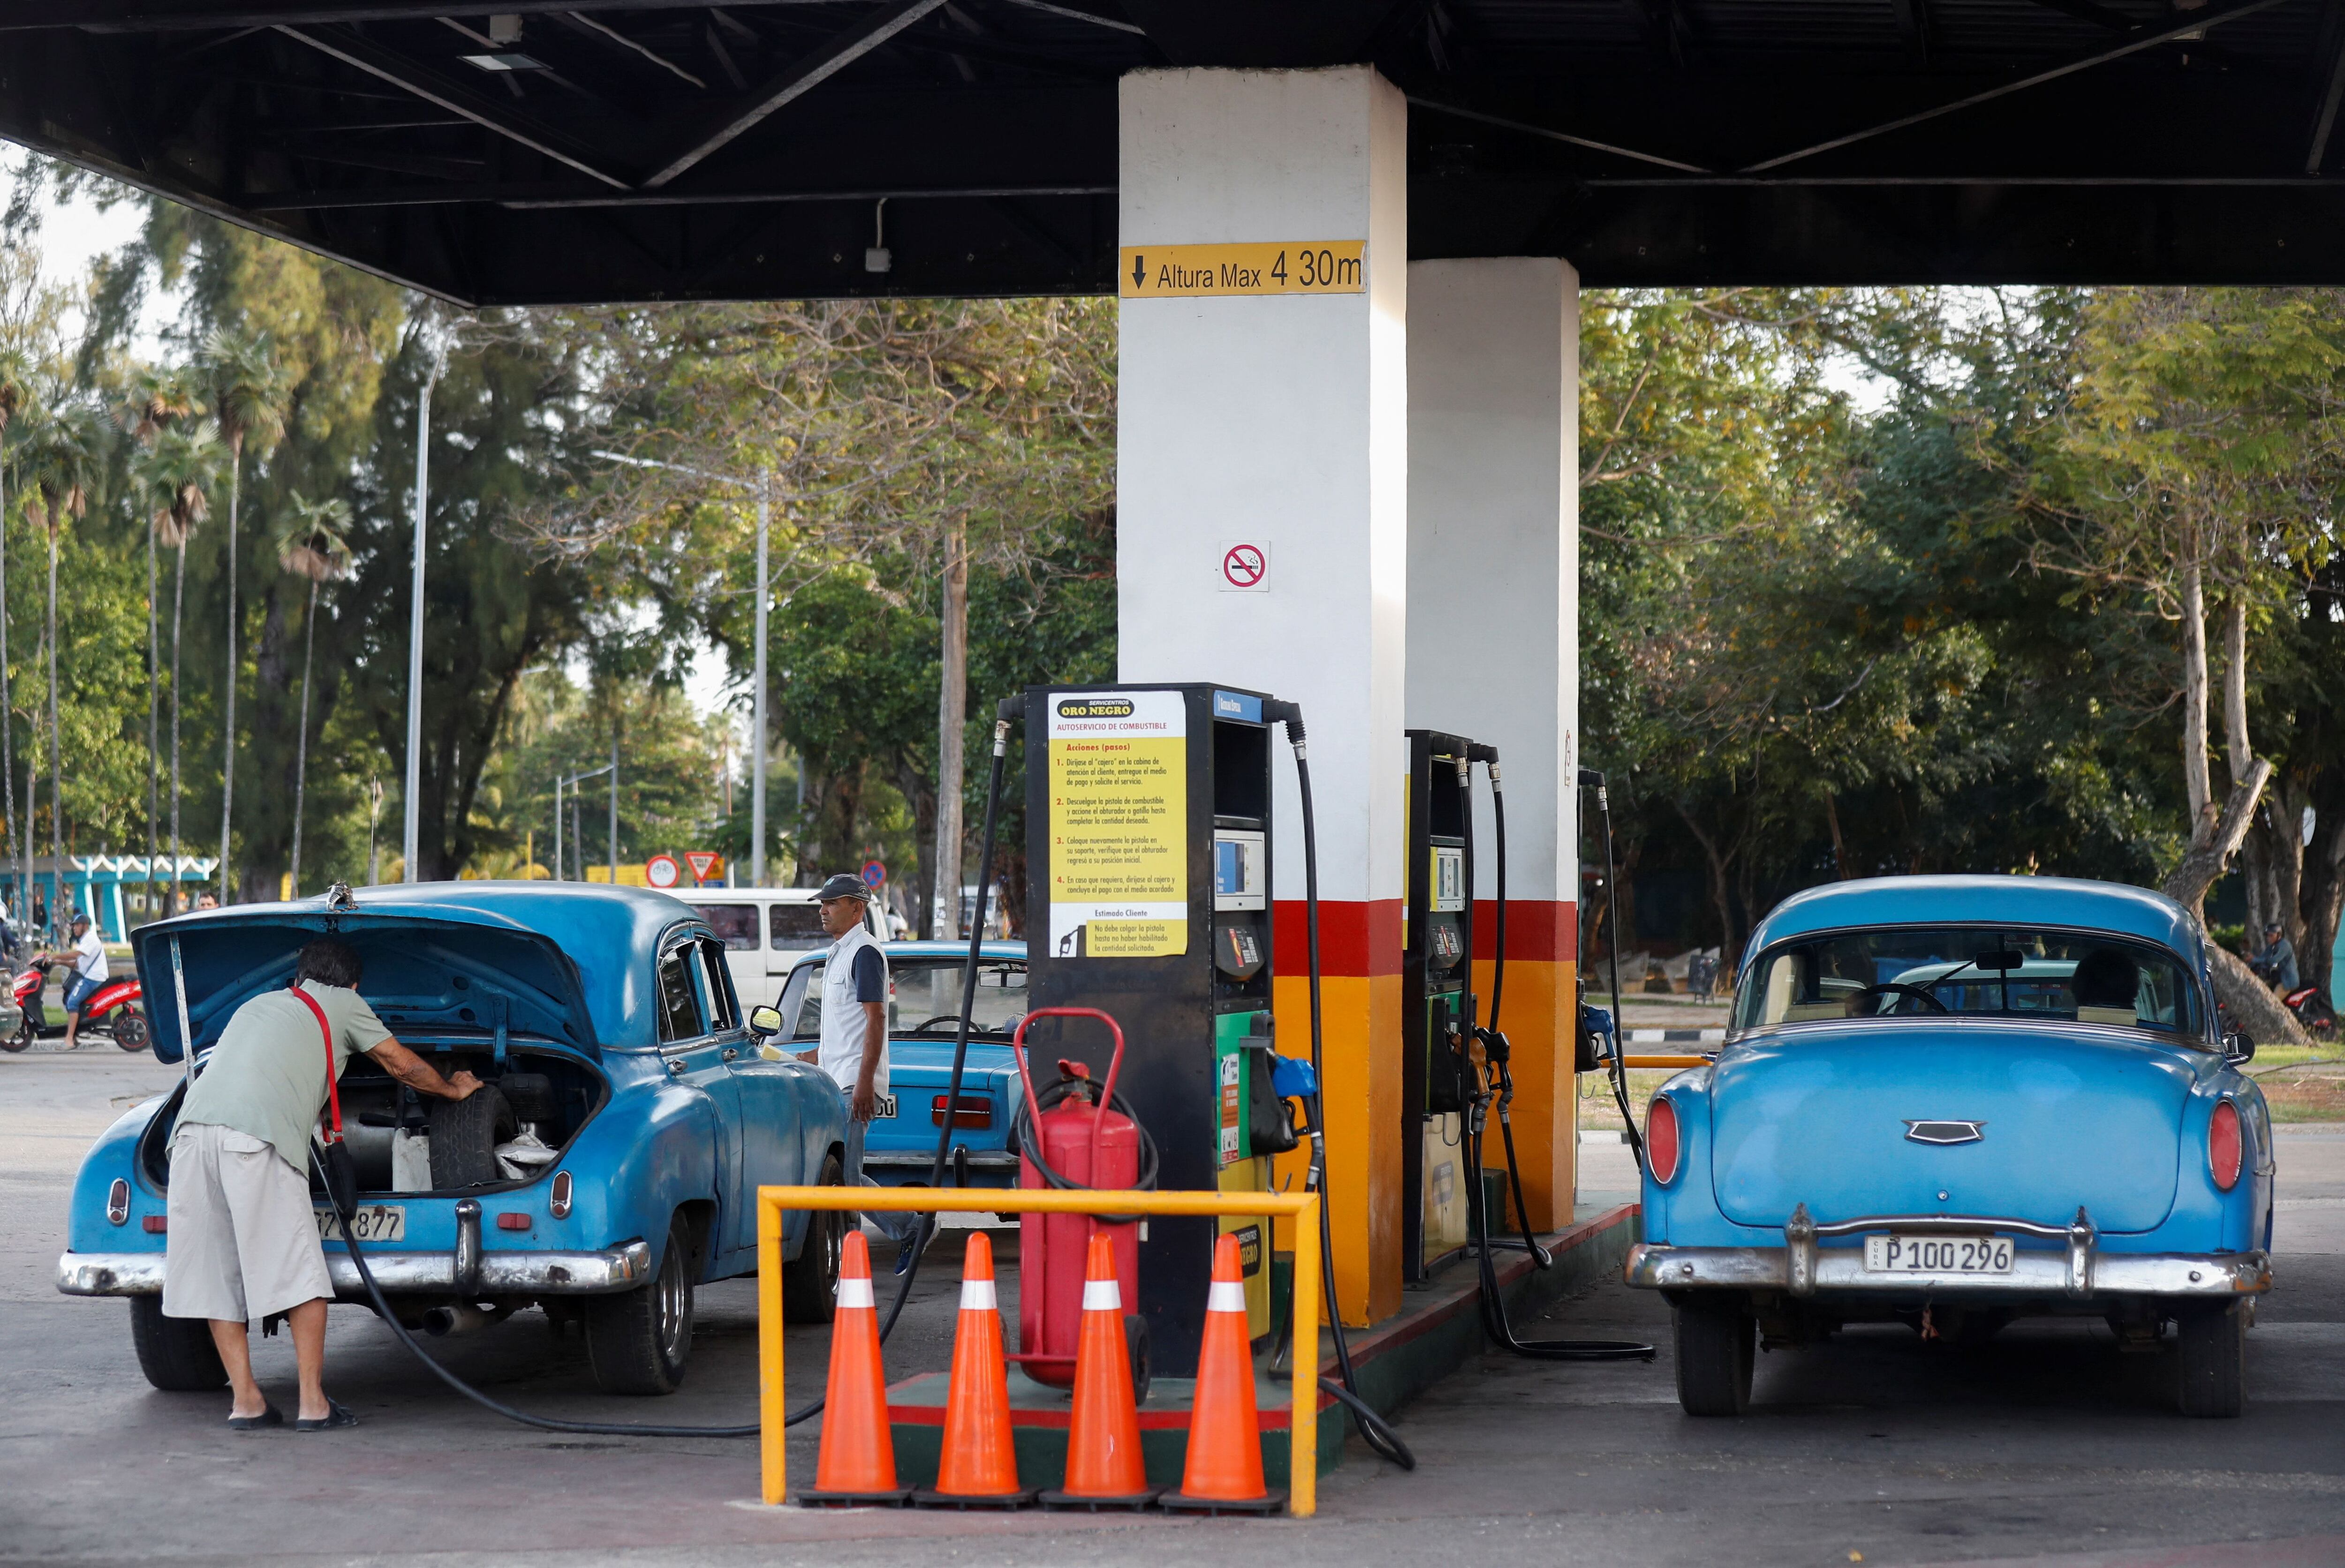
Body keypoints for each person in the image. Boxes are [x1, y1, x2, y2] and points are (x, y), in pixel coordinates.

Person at [161, 937, 481, 1430]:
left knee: (214, 1273)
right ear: (353, 984)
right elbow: (402, 1064)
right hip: (255, 1139)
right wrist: (453, 1088)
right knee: (301, 1272)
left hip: (191, 1136)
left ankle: (247, 1401)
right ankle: (313, 1403)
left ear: (298, 976)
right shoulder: (345, 1003)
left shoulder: (256, 1003)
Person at [795, 873, 915, 1272]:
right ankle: (861, 1250)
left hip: (853, 1083)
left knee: (846, 1178)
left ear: (857, 908)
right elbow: (844, 1029)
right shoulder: (838, 952)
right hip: (837, 1078)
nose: (823, 910)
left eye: (832, 903)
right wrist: (811, 1057)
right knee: (841, 1175)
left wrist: (865, 1082)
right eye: (822, 903)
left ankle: (910, 1228)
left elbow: (876, 1018)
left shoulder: (864, 951)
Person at [55, 913, 106, 1049]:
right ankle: (76, 1034)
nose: (74, 928)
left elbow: (75, 955)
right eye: (73, 926)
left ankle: (69, 1040)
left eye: (76, 925)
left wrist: (55, 956)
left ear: (85, 926)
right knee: (68, 998)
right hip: (90, 976)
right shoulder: (85, 941)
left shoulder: (90, 939)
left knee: (72, 1002)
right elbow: (79, 965)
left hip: (93, 979)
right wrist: (59, 962)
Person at [2252, 922, 2299, 993]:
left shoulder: (2285, 946)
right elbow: (2263, 957)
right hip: (2277, 978)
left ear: (2279, 935)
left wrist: (2255, 960)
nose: (2269, 938)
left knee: (2272, 1001)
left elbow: (2274, 960)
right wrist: (2251, 962)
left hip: (2288, 981)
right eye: (2268, 936)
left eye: (2271, 936)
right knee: (2259, 990)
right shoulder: (2272, 946)